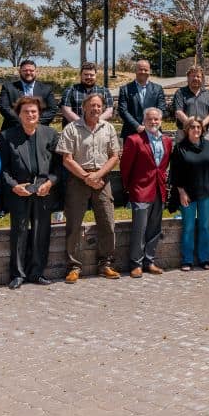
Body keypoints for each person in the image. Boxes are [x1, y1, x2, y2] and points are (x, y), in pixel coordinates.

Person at [58, 94, 121, 281]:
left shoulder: (108, 128)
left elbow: (114, 156)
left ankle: (106, 264)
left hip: (102, 179)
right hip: (78, 178)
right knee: (74, 224)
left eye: (99, 106)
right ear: (84, 107)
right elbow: (67, 159)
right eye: (92, 105)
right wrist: (87, 177)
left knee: (108, 222)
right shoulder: (72, 128)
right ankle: (74, 266)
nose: (95, 109)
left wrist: (98, 175)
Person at [0, 95, 60, 288]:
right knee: (19, 232)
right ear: (19, 114)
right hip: (20, 190)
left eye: (34, 111)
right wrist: (14, 186)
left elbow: (59, 167)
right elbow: (3, 168)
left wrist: (50, 182)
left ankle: (37, 272)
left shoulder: (51, 134)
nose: (30, 114)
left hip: (43, 190)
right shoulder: (7, 136)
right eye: (26, 111)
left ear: (39, 113)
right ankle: (18, 274)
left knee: (41, 232)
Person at [120, 107, 172, 277]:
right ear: (143, 121)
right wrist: (129, 187)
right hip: (140, 189)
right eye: (150, 119)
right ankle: (136, 263)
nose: (153, 122)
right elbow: (125, 167)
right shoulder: (134, 140)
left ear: (161, 121)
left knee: (154, 228)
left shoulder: (167, 141)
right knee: (139, 228)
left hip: (159, 189)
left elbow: (163, 167)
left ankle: (149, 261)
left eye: (156, 119)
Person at [171, 119, 209, 270]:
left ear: (202, 129)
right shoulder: (180, 148)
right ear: (187, 129)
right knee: (188, 227)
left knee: (204, 226)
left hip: (206, 193)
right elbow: (175, 173)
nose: (196, 129)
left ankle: (204, 258)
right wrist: (181, 192)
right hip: (187, 195)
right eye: (192, 127)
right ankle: (187, 259)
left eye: (199, 127)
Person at [0, 59, 59, 132]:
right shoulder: (8, 87)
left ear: (36, 72)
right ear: (20, 72)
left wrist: (34, 123)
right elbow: (4, 108)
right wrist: (23, 122)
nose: (28, 73)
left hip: (40, 130)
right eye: (25, 70)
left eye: (31, 70)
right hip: (13, 129)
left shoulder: (46, 89)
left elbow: (52, 109)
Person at [116, 59, 166, 139]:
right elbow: (123, 111)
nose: (143, 72)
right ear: (135, 71)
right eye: (140, 69)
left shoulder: (158, 89)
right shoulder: (125, 89)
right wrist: (137, 126)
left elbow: (161, 109)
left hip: (153, 131)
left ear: (149, 71)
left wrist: (149, 125)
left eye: (146, 70)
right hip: (131, 132)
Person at [172, 66, 209, 134]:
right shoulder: (180, 92)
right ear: (188, 78)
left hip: (204, 132)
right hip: (184, 133)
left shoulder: (208, 93)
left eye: (198, 76)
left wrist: (201, 125)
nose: (195, 78)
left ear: (202, 79)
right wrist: (192, 125)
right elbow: (178, 112)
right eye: (193, 76)